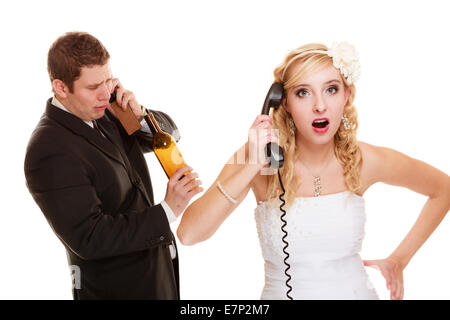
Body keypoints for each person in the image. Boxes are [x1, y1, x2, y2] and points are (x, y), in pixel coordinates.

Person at [176, 42, 449, 300]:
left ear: (347, 96)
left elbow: (443, 189)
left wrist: (399, 260)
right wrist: (251, 165)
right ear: (283, 102)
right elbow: (189, 234)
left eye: (331, 89)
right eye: (303, 92)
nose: (320, 105)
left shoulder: (365, 159)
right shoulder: (255, 156)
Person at [24, 32, 203, 299]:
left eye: (108, 81)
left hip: (157, 278)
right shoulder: (47, 149)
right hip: (117, 290)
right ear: (61, 88)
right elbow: (91, 238)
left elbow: (169, 135)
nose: (105, 93)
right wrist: (167, 211)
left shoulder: (106, 109)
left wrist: (139, 114)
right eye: (93, 86)